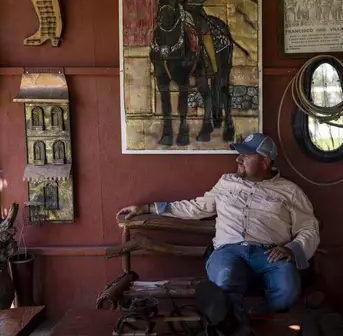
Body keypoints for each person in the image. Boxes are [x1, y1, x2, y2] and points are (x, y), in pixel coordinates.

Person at [116, 133, 320, 336]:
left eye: (246, 155)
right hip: (228, 252)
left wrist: (292, 250)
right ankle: (238, 324)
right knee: (225, 280)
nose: (238, 159)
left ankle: (239, 320)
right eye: (239, 154)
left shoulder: (290, 191)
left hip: (270, 255)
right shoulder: (226, 182)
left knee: (288, 290)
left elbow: (309, 228)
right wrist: (149, 208)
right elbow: (196, 207)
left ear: (265, 161)